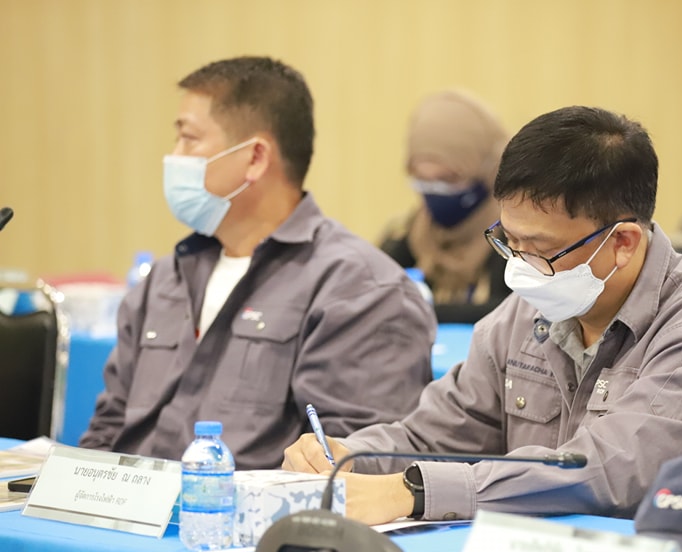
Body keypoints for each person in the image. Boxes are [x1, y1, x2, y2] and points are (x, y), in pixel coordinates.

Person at [283, 106, 682, 525]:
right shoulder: (530, 313)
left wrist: (412, 491)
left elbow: (602, 473)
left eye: (540, 249)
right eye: (509, 242)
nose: (519, 267)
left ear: (624, 243)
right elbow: (433, 434)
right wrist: (347, 455)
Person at [79, 56, 436, 469]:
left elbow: (349, 468)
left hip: (244, 510)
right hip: (129, 504)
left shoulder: (361, 289)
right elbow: (107, 432)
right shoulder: (164, 278)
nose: (174, 157)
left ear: (255, 158)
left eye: (189, 140)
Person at [379, 90, 513, 323]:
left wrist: (419, 311)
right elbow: (372, 298)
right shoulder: (410, 234)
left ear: (488, 170)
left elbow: (515, 313)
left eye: (448, 180)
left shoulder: (516, 240)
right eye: (423, 181)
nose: (436, 193)